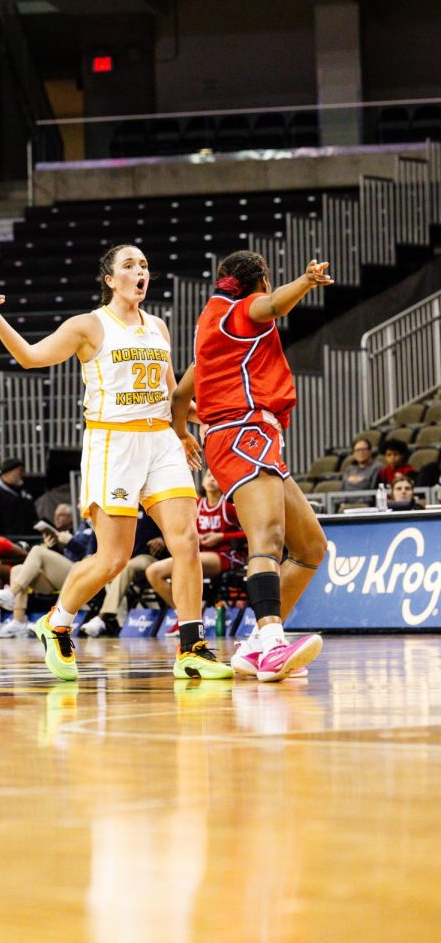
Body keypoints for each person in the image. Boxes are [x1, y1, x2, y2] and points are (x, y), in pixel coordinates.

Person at [0, 243, 231, 681]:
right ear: (110, 279)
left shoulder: (159, 329)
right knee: (113, 557)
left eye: (144, 265)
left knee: (185, 541)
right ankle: (56, 622)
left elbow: (172, 397)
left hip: (161, 442)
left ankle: (192, 648)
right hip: (114, 443)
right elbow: (31, 357)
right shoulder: (89, 325)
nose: (140, 271)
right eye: (129, 265)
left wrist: (189, 428)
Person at [173, 251, 331, 683]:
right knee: (268, 539)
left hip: (246, 438)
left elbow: (180, 395)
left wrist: (184, 432)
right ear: (260, 279)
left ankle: (255, 646)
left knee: (310, 547)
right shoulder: (239, 312)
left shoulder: (211, 323)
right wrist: (305, 281)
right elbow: (274, 306)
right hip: (244, 434)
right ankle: (272, 643)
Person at [146, 469, 246, 631]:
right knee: (153, 572)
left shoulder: (228, 505)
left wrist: (221, 537)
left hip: (228, 555)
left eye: (216, 476)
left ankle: (189, 617)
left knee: (187, 563)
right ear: (201, 482)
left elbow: (249, 532)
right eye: (208, 475)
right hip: (199, 555)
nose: (212, 479)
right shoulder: (196, 505)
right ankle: (185, 616)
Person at [0, 519, 96, 637]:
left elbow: (91, 556)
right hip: (66, 575)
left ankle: (11, 593)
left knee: (37, 550)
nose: (79, 505)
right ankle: (19, 621)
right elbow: (70, 557)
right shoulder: (81, 526)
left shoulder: (98, 527)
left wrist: (71, 542)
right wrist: (54, 547)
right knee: (17, 569)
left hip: (83, 576)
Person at [81, 510, 167, 637]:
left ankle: (102, 617)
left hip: (148, 558)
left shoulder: (150, 505)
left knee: (124, 567)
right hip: (120, 559)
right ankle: (119, 623)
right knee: (109, 569)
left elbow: (169, 527)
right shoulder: (116, 509)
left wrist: (161, 539)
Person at [0, 458, 37, 536]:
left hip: (28, 538)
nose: (21, 475)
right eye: (19, 471)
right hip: (6, 540)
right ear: (7, 473)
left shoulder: (25, 494)